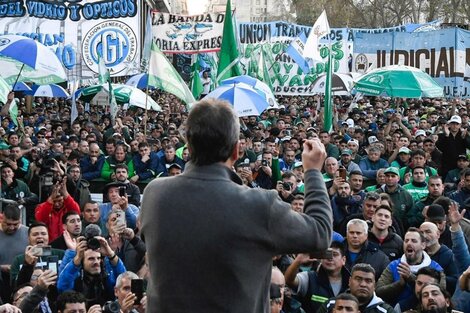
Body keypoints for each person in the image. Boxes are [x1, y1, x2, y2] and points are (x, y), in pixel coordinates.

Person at [141, 98, 333, 312]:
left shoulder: (154, 194)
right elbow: (320, 233)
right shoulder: (258, 205)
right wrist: (314, 171)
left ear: (188, 144)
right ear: (236, 151)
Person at [376, 227, 445, 307]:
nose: (409, 243)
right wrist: (399, 284)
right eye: (406, 240)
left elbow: (442, 293)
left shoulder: (436, 268)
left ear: (423, 245)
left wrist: (411, 278)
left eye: (414, 241)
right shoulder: (394, 265)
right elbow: (379, 292)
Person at [284, 241, 350, 313]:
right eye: (327, 254)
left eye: (335, 254)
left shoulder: (351, 282)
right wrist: (298, 261)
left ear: (343, 260)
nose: (330, 258)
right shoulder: (309, 278)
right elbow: (289, 280)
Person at [317, 263, 395, 313]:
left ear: (374, 285)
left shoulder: (386, 311)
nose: (363, 284)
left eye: (368, 281)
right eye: (358, 279)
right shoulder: (330, 305)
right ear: (349, 281)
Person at [35, 176, 81, 242]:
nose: (57, 204)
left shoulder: (69, 205)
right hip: (49, 244)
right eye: (54, 201)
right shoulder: (42, 207)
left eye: (59, 201)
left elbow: (76, 213)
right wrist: (50, 201)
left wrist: (65, 194)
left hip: (68, 243)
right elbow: (40, 220)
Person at [419, 222, 458, 294]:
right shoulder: (418, 254)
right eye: (421, 233)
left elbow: (455, 281)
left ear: (438, 234)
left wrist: (436, 278)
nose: (424, 236)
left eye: (428, 232)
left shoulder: (449, 256)